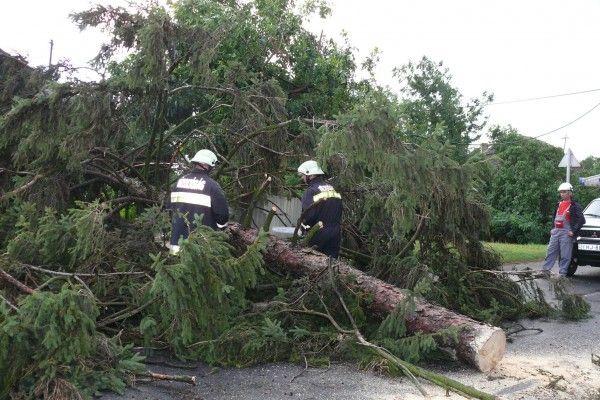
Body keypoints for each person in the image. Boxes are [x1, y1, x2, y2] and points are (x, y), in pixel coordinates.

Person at [169, 149, 229, 254]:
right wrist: (221, 229)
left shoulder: (178, 182)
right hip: (202, 247)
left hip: (177, 244)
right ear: (207, 165)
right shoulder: (212, 186)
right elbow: (222, 217)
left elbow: (170, 208)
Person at [297, 160, 343, 258]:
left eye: (303, 175)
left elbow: (308, 216)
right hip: (335, 232)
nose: (302, 178)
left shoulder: (311, 191)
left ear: (310, 175)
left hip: (317, 233)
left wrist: (301, 229)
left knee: (314, 265)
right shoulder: (332, 188)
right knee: (331, 264)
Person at [541, 182, 585, 277]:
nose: (562, 194)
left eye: (564, 192)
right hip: (556, 231)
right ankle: (545, 271)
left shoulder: (575, 206)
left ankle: (562, 274)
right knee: (550, 251)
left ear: (570, 193)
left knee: (565, 255)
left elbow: (582, 220)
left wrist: (573, 231)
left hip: (566, 232)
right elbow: (554, 217)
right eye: (561, 192)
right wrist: (552, 228)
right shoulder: (558, 204)